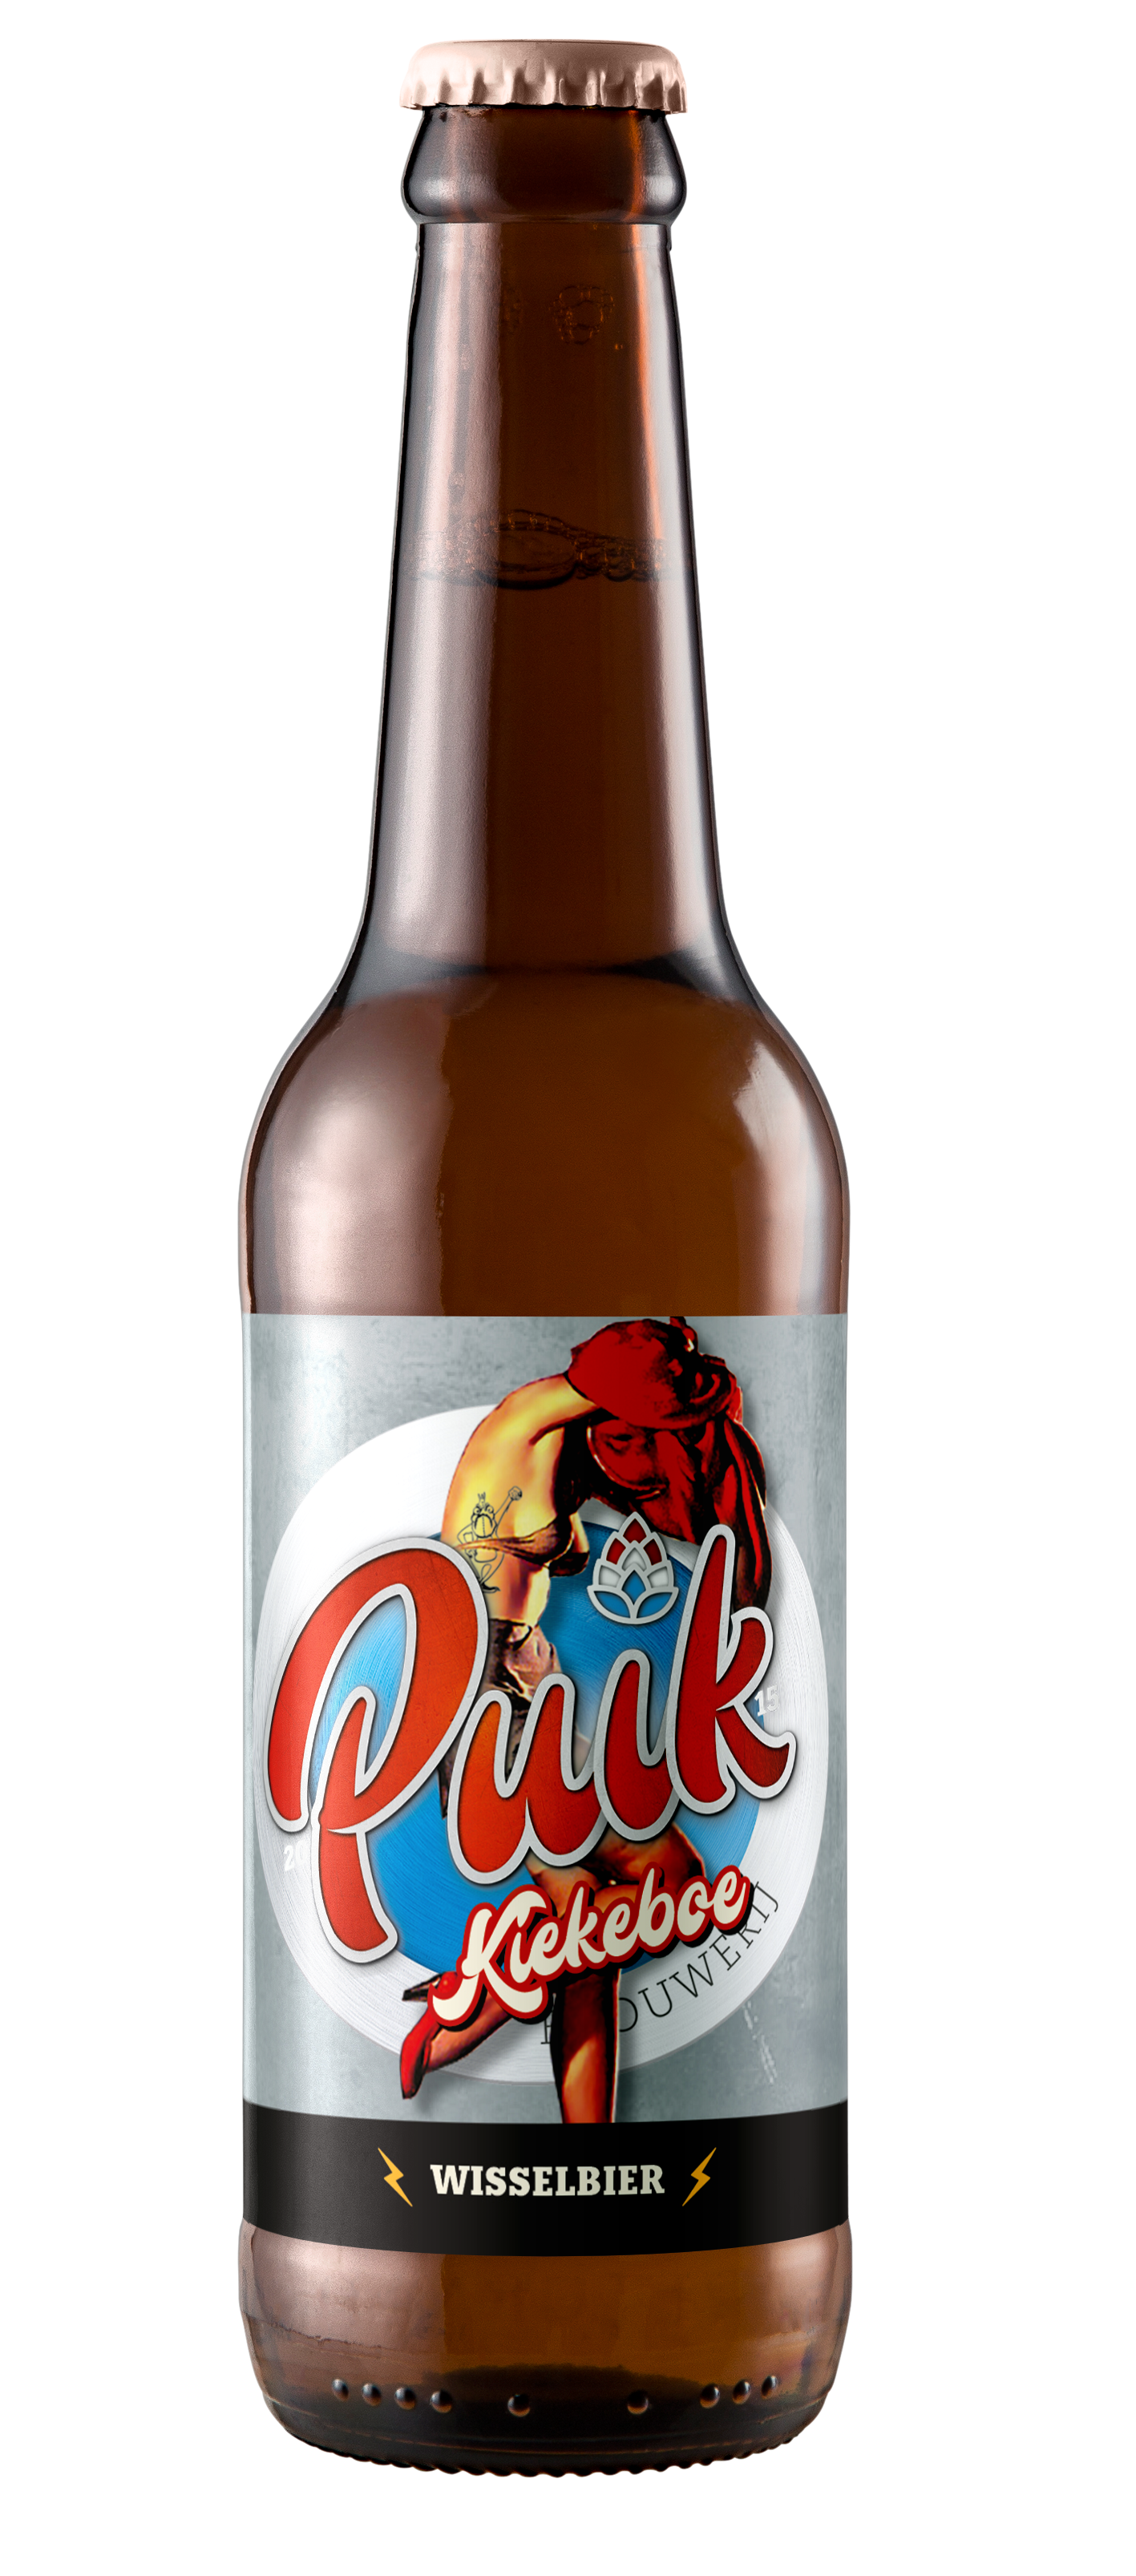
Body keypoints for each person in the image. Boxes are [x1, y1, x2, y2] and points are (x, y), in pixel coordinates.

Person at [399, 1316, 771, 2121]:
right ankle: (482, 1992)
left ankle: (578, 2136)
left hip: (528, 1680)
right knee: (636, 1902)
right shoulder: (521, 1428)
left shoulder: (560, 1453)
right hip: (476, 1685)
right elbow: (621, 1389)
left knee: (601, 1934)